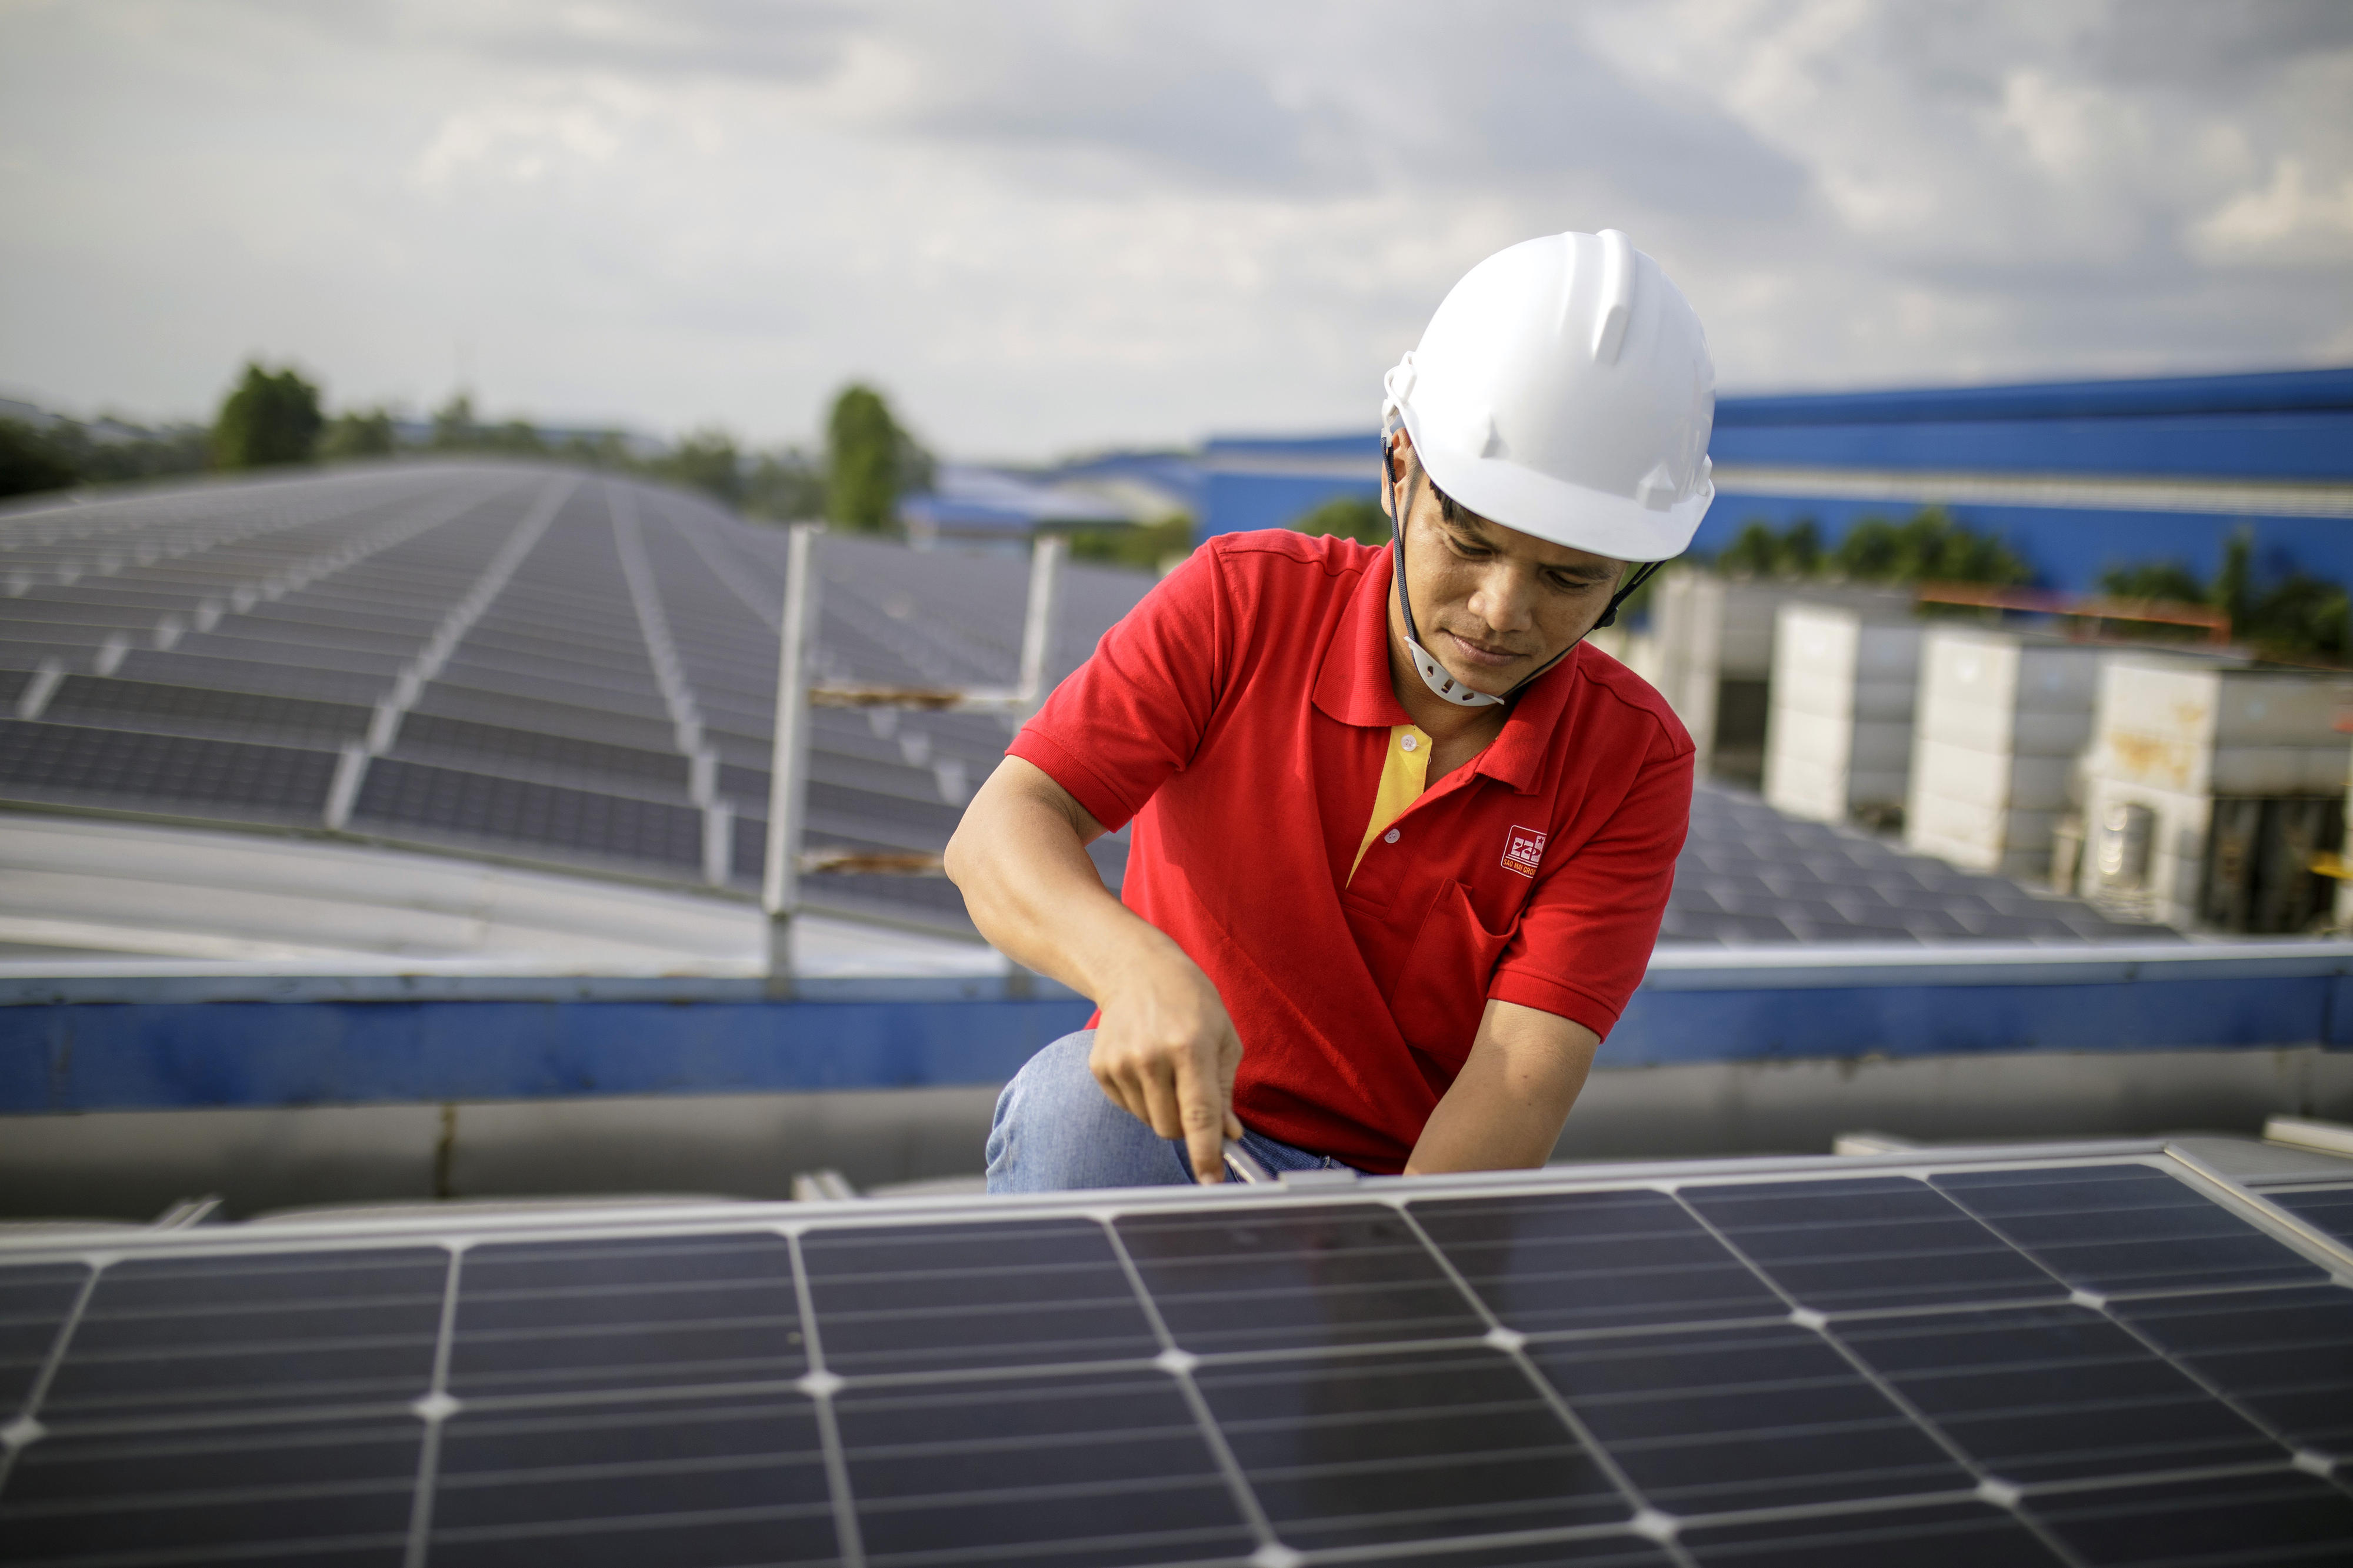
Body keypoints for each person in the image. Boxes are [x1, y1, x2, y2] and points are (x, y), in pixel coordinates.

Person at [946, 229, 1717, 1190]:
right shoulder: (1242, 600)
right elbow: (998, 832)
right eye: (1469, 543)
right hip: (1185, 1136)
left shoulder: (1631, 759)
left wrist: (1388, 1286)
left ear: (1629, 576)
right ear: (1400, 470)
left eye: (1568, 578)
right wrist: (1131, 969)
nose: (1501, 611)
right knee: (1072, 1107)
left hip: (1394, 1193)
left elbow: (1520, 1079)